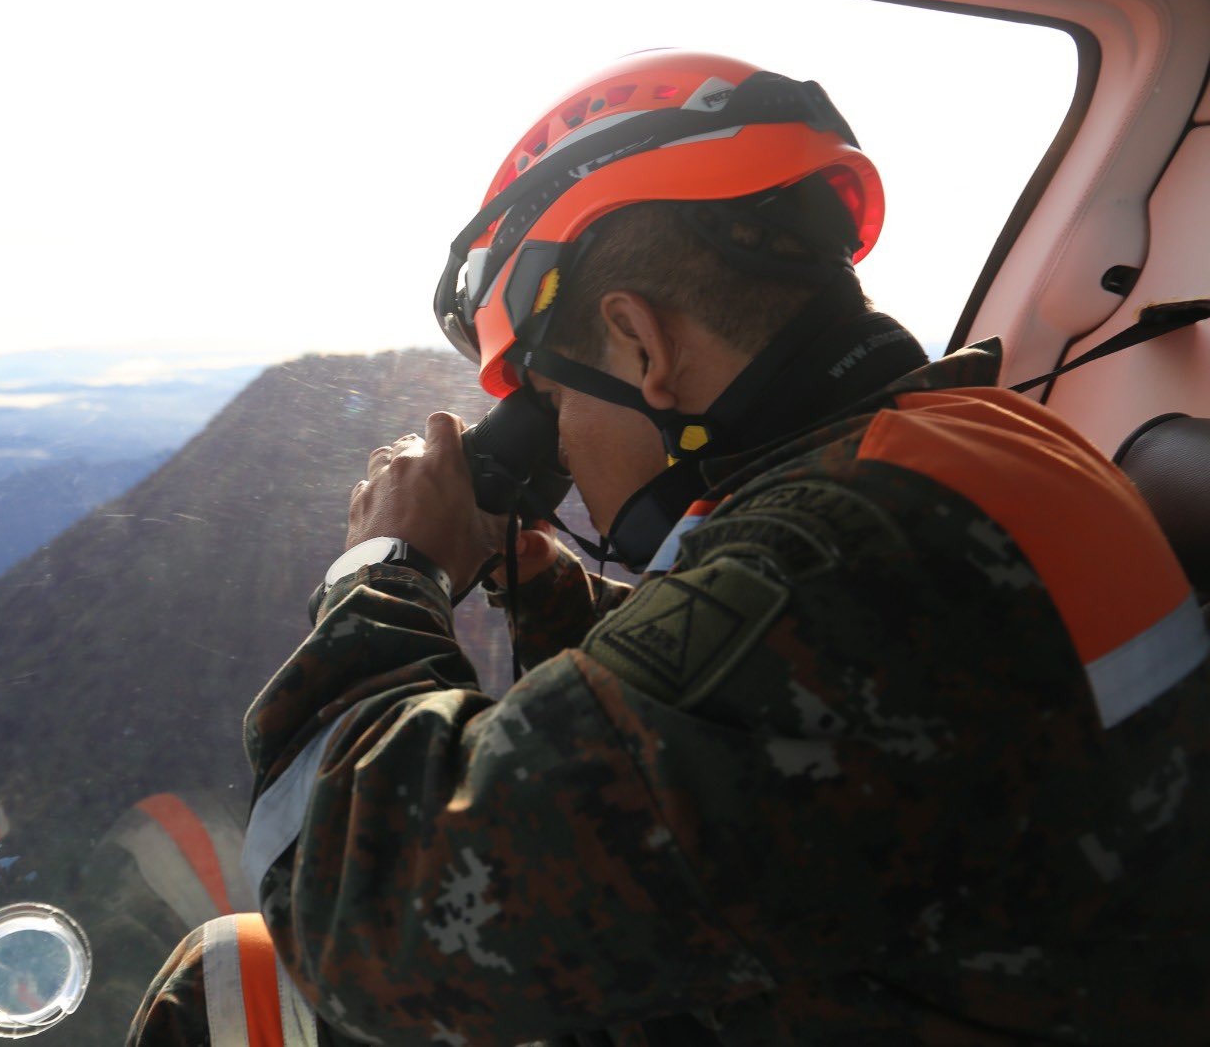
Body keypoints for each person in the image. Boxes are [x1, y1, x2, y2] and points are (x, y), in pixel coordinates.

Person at [131, 50, 1210, 1044]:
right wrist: (551, 591)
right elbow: (758, 719)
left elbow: (364, 908)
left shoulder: (840, 556)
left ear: (643, 344)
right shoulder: (963, 450)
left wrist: (383, 572)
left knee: (231, 988)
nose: (556, 444)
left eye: (550, 398)